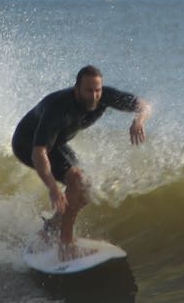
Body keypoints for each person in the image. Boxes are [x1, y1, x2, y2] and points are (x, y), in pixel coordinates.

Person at [12, 65, 151, 254]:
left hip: (56, 144)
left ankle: (51, 228)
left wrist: (139, 120)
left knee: (86, 187)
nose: (94, 96)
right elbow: (39, 153)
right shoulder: (59, 107)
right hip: (27, 144)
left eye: (97, 90)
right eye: (88, 90)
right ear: (76, 88)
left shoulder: (105, 96)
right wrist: (52, 187)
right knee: (76, 179)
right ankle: (65, 245)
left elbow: (144, 105)